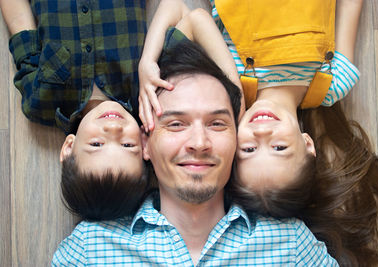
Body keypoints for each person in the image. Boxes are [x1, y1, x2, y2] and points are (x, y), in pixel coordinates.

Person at [139, 0, 378, 265]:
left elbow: (193, 17)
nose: (263, 132)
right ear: (308, 145)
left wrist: (147, 62)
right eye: (280, 148)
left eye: (248, 149)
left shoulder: (231, 92)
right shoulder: (334, 84)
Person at [52, 39, 338, 266]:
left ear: (238, 142)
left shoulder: (290, 245)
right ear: (145, 143)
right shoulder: (91, 248)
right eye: (176, 124)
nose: (199, 142)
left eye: (217, 124)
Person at [0, 0, 149, 220]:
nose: (113, 128)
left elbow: (22, 28)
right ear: (146, 146)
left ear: (69, 148)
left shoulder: (41, 102)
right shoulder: (146, 92)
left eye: (97, 144)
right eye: (127, 145)